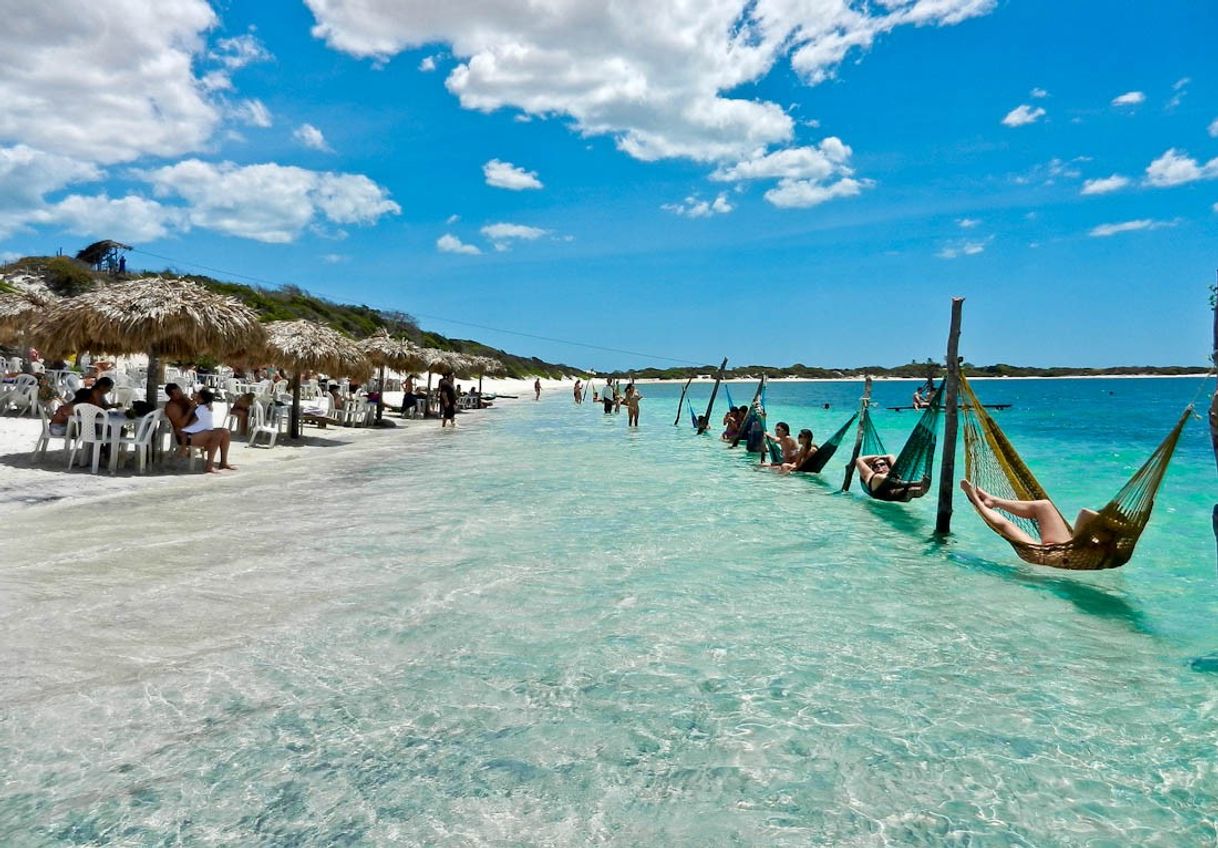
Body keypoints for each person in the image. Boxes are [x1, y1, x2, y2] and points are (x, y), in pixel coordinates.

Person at [960, 480, 1098, 547]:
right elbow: (1086, 514)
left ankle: (978, 500)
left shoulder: (1093, 550)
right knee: (1044, 505)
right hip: (1061, 549)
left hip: (1052, 555)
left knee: (1005, 525)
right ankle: (994, 501)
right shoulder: (1094, 547)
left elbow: (1086, 514)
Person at [165, 384, 235, 472]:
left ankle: (223, 462)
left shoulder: (184, 400)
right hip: (185, 435)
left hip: (196, 430)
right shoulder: (172, 407)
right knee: (218, 434)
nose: (180, 395)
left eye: (180, 392)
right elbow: (182, 425)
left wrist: (207, 404)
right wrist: (191, 409)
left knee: (226, 433)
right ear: (171, 396)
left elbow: (199, 406)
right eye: (177, 394)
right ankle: (209, 466)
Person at [856, 453, 926, 498]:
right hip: (879, 490)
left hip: (893, 494)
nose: (879, 467)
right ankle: (917, 483)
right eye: (875, 466)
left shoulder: (894, 473)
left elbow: (891, 456)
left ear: (889, 466)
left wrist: (884, 457)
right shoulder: (870, 474)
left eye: (882, 464)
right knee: (879, 477)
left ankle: (920, 485)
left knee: (914, 491)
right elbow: (859, 460)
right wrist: (876, 457)